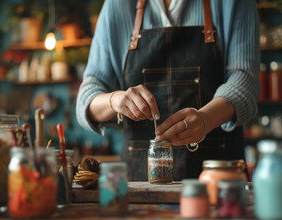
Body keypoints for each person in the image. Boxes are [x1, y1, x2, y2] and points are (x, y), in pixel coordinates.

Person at [76, 0, 260, 180]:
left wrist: (205, 119)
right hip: (140, 187)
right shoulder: (118, 5)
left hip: (219, 181)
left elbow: (245, 80)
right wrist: (115, 100)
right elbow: (87, 98)